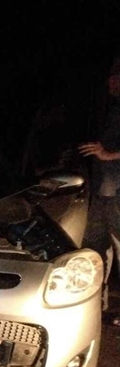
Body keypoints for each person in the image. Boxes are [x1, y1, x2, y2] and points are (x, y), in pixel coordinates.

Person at [79, 57, 120, 323]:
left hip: (117, 192)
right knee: (94, 250)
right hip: (101, 191)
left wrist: (109, 154)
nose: (112, 83)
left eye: (117, 78)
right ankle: (97, 306)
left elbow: (108, 151)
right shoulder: (111, 108)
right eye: (111, 78)